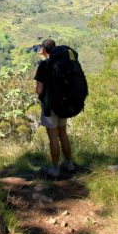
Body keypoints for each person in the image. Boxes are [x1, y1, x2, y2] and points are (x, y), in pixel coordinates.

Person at [35, 38, 75, 177]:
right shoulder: (64, 64)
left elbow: (39, 90)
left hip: (50, 106)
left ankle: (55, 168)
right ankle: (69, 163)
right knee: (63, 134)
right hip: (63, 105)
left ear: (44, 50)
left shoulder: (44, 65)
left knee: (53, 137)